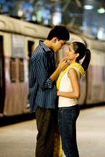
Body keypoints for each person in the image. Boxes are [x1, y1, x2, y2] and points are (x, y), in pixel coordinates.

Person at [29, 25, 70, 157]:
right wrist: (59, 69)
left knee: (51, 139)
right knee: (44, 139)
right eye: (62, 44)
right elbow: (44, 84)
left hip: (50, 102)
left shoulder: (49, 52)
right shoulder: (40, 55)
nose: (62, 47)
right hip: (43, 103)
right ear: (54, 39)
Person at [56, 42, 91, 157]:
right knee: (67, 145)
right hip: (67, 109)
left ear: (76, 55)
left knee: (68, 146)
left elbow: (76, 93)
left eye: (70, 50)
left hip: (67, 109)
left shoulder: (72, 70)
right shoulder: (73, 68)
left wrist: (58, 93)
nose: (67, 52)